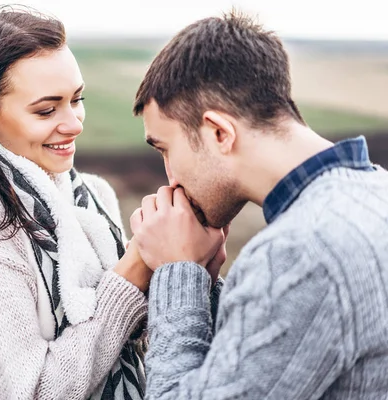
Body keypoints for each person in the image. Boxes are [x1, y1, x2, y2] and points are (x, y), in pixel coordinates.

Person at [127, 10, 388, 399]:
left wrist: (176, 273)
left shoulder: (300, 252)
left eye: (166, 149)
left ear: (219, 132)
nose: (170, 177)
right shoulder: (376, 189)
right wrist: (207, 286)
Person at [0, 7, 152, 400]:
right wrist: (134, 272)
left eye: (77, 99)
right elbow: (30, 392)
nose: (74, 123)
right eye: (47, 110)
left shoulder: (93, 197)